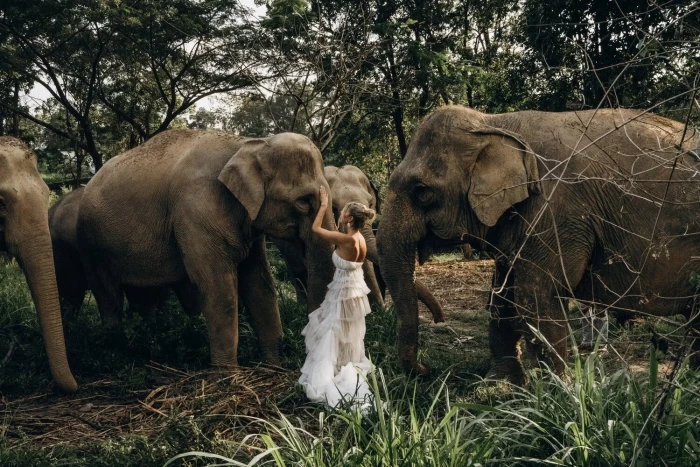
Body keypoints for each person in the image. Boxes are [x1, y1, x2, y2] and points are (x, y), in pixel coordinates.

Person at [298, 186, 376, 407]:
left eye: (341, 212)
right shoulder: (360, 239)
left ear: (349, 218)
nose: (339, 214)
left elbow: (315, 229)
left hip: (343, 292)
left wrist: (323, 205)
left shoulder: (346, 240)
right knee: (347, 332)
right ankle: (342, 364)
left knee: (332, 330)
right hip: (354, 290)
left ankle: (326, 376)